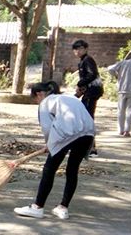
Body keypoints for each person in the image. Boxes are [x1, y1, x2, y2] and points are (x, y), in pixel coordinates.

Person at [14, 81, 95, 220]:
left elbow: (47, 128)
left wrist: (49, 144)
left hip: (66, 133)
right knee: (72, 169)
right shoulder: (69, 97)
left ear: (39, 94)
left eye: (35, 100)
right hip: (88, 133)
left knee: (49, 169)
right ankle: (63, 208)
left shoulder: (45, 103)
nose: (37, 103)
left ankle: (37, 207)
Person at [72, 39, 103, 157]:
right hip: (89, 92)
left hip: (92, 92)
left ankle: (91, 148)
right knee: (85, 118)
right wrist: (80, 90)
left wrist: (80, 84)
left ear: (86, 49)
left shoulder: (88, 60)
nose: (78, 51)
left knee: (88, 119)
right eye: (76, 49)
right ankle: (87, 146)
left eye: (80, 48)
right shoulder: (83, 61)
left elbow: (92, 75)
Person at [107, 48, 131, 137]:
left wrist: (117, 76)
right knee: (130, 110)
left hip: (122, 89)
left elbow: (110, 69)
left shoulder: (123, 63)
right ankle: (127, 130)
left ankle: (120, 130)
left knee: (121, 110)